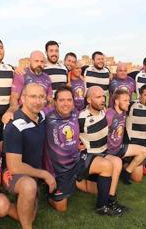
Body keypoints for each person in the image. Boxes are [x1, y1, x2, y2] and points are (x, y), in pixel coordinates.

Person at [45, 87, 122, 215]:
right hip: (60, 170)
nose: (66, 103)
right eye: (61, 100)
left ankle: (101, 206)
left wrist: (79, 142)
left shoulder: (75, 113)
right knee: (61, 208)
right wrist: (12, 111)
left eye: (69, 100)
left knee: (106, 166)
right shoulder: (46, 116)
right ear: (55, 102)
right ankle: (51, 194)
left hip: (77, 158)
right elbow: (30, 111)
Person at [2, 83, 50, 229]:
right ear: (23, 98)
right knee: (29, 187)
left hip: (32, 172)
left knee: (30, 215)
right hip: (12, 173)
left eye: (41, 97)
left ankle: (4, 206)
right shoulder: (15, 125)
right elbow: (14, 167)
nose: (37, 101)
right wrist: (45, 174)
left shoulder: (42, 116)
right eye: (33, 97)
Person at [79, 86, 127, 211]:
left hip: (102, 152)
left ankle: (111, 200)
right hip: (88, 156)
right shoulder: (82, 118)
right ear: (89, 100)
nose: (102, 99)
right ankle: (101, 206)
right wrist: (78, 144)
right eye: (98, 97)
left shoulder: (103, 112)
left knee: (117, 161)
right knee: (107, 164)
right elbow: (73, 136)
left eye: (103, 96)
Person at [106, 90, 146, 183]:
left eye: (128, 100)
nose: (128, 103)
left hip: (118, 148)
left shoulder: (123, 112)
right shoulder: (109, 115)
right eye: (125, 100)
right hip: (108, 152)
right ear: (116, 101)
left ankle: (126, 173)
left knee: (144, 151)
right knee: (109, 180)